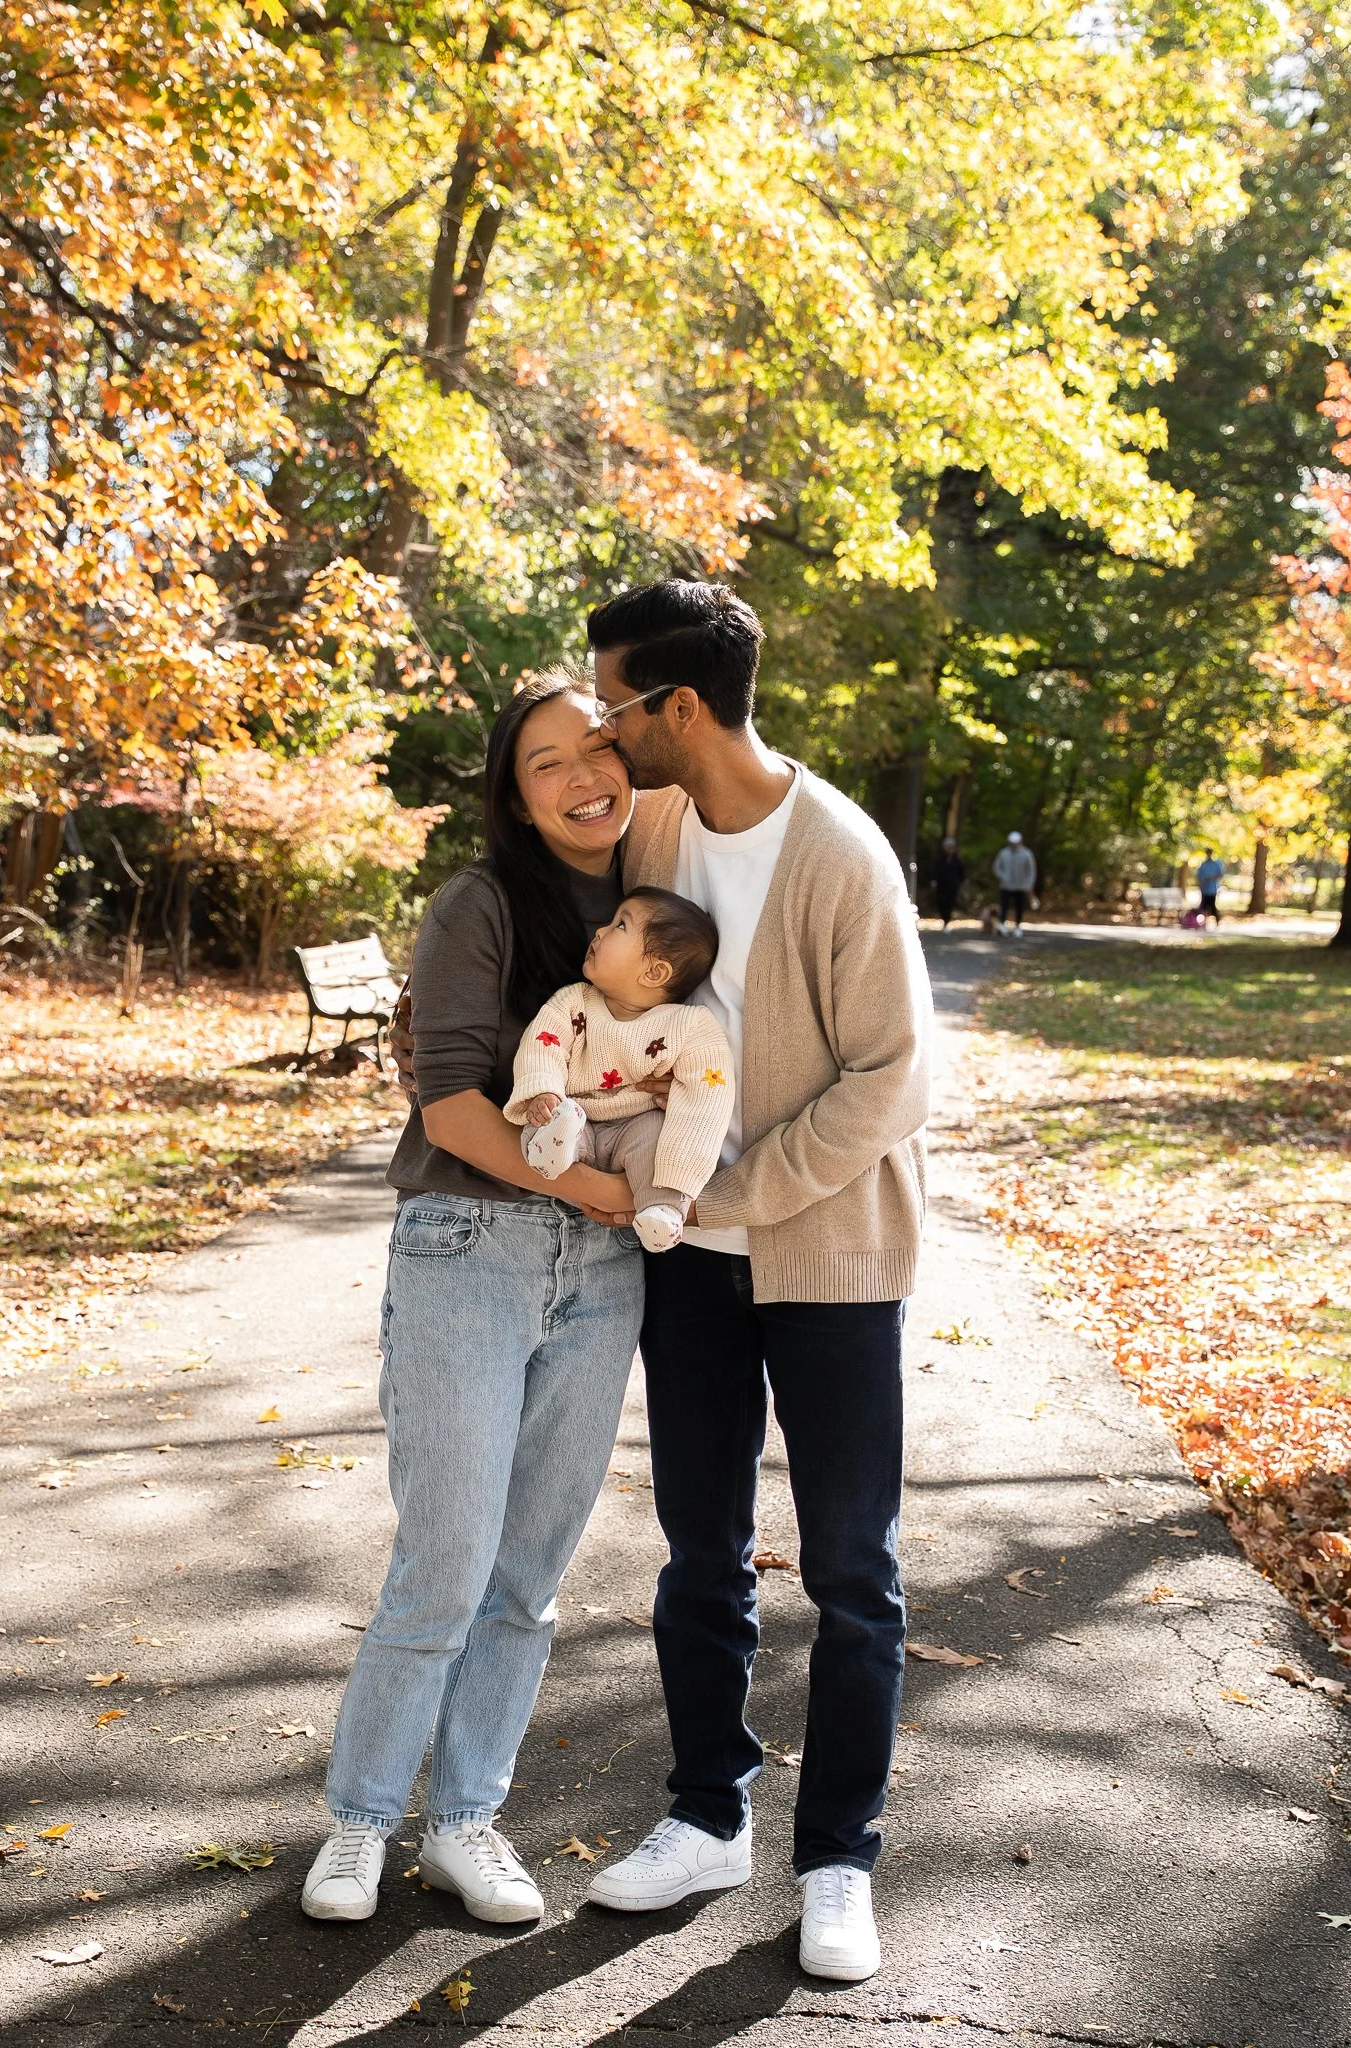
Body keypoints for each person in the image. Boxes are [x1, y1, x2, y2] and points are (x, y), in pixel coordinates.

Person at [579, 580, 932, 1984]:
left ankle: (837, 1856)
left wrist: (733, 1192)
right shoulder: (654, 827)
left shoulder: (838, 852)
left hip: (828, 1255)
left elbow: (894, 1076)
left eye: (614, 705)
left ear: (678, 706)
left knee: (853, 1571)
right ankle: (705, 1814)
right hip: (687, 1267)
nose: (604, 734)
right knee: (698, 1555)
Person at [301, 666, 647, 1927]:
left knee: (531, 1570)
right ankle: (358, 1819)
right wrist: (606, 1196)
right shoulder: (479, 903)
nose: (579, 776)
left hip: (606, 1283)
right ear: (514, 791)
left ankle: (464, 1821)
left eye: (595, 749)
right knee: (444, 1560)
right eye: (545, 761)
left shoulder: (665, 917)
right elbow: (448, 1102)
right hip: (470, 1247)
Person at [504, 886, 734, 1252]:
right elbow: (542, 1045)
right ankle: (552, 1147)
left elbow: (706, 1101)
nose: (599, 931)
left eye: (620, 926)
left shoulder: (689, 1026)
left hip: (637, 1123)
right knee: (551, 1120)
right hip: (579, 1119)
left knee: (658, 1139)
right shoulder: (573, 1001)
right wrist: (542, 1092)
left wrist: (685, 1173)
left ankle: (662, 1209)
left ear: (655, 971)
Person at [992, 830, 1036, 934]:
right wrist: (1003, 877)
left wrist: (1029, 884)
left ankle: (1018, 926)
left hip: (1021, 886)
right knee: (1004, 905)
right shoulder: (1004, 853)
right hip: (1006, 886)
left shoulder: (1027, 853)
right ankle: (1002, 925)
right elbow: (996, 867)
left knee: (1019, 906)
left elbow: (1031, 871)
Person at [930, 836, 965, 927]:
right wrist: (934, 881)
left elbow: (961, 872)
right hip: (941, 885)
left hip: (953, 885)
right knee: (941, 902)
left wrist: (961, 881)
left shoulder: (957, 860)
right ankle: (943, 918)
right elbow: (935, 871)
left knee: (950, 902)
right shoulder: (940, 859)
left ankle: (947, 920)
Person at [1196, 848, 1224, 922]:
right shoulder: (1203, 864)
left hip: (1212, 889)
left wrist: (1212, 877)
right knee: (1203, 907)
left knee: (1212, 906)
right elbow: (1198, 876)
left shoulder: (1216, 864)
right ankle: (1202, 922)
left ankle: (1217, 920)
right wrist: (1201, 884)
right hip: (1204, 888)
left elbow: (1220, 874)